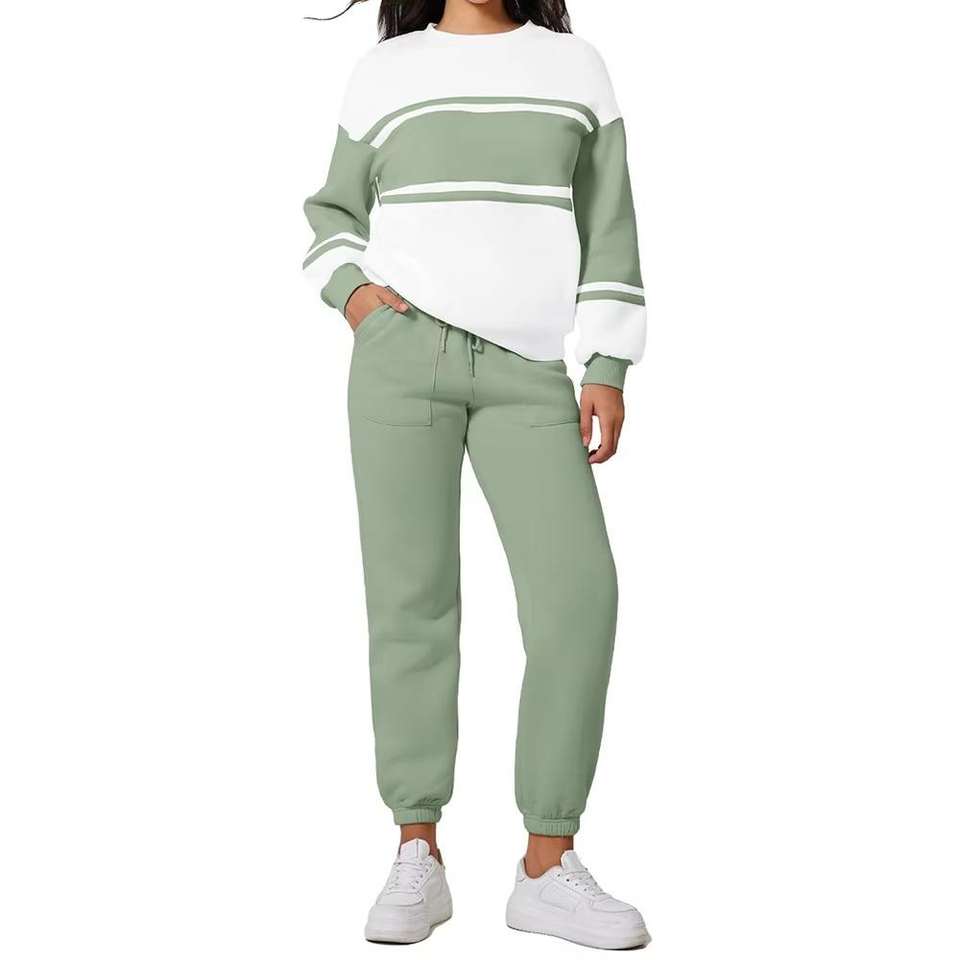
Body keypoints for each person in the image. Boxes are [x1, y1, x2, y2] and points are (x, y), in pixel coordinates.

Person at [302, 0, 650, 948]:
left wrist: (608, 362)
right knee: (411, 602)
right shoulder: (387, 69)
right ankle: (416, 848)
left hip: (530, 373)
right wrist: (356, 298)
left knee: (578, 597)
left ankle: (546, 864)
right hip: (400, 353)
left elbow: (610, 221)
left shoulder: (576, 66)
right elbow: (331, 212)